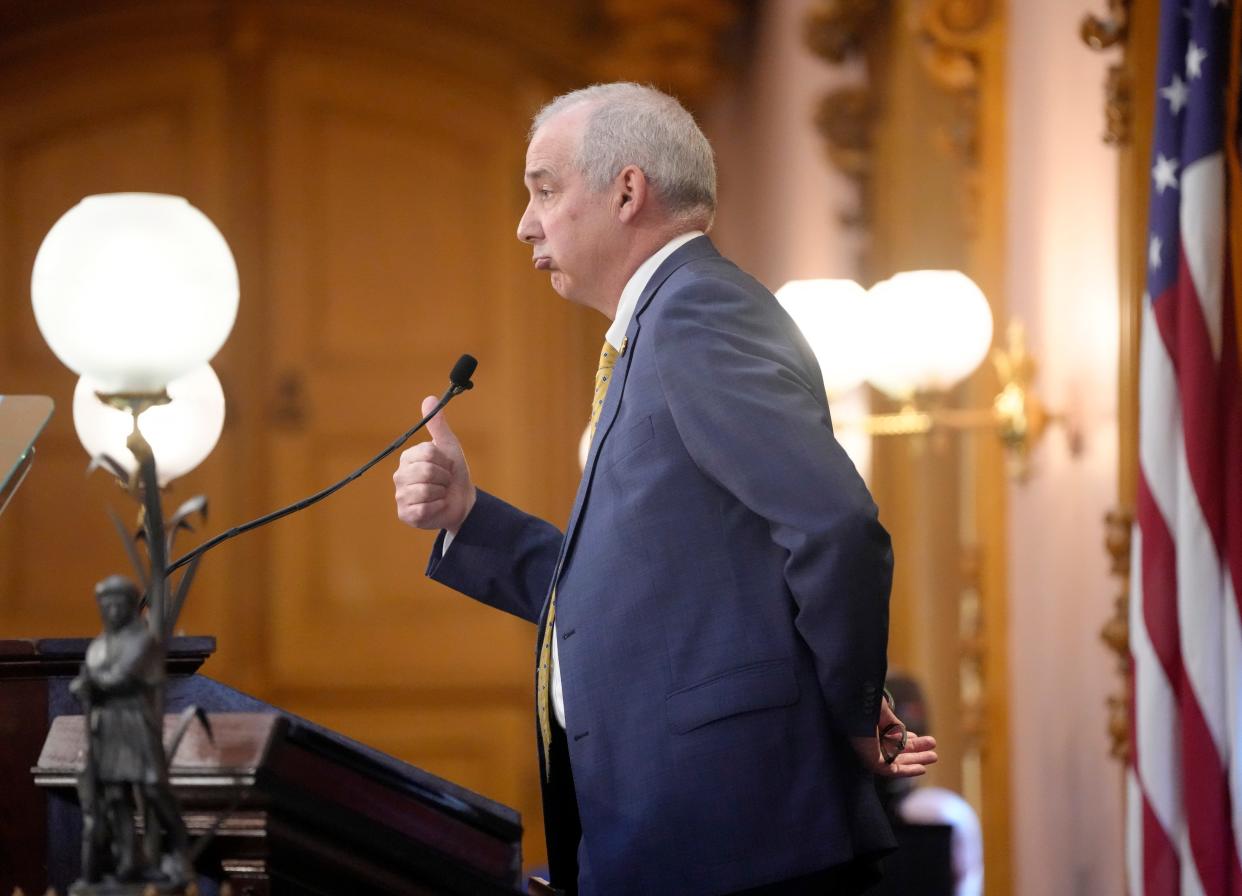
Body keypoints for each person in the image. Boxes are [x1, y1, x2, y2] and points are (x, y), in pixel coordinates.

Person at [394, 82, 936, 896]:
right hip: (678, 835)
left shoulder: (698, 313)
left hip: (740, 837)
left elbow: (837, 526)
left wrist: (855, 714)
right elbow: (637, 593)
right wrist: (470, 519)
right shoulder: (657, 331)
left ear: (626, 190)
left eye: (544, 189)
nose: (525, 223)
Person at [71, 575, 189, 888]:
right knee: (115, 796)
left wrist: (88, 684)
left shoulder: (142, 641)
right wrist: (87, 685)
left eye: (118, 603)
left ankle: (179, 847)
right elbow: (94, 677)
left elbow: (118, 678)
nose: (112, 609)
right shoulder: (99, 645)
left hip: (136, 722)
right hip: (107, 725)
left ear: (130, 606)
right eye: (106, 604)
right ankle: (127, 860)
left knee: (152, 787)